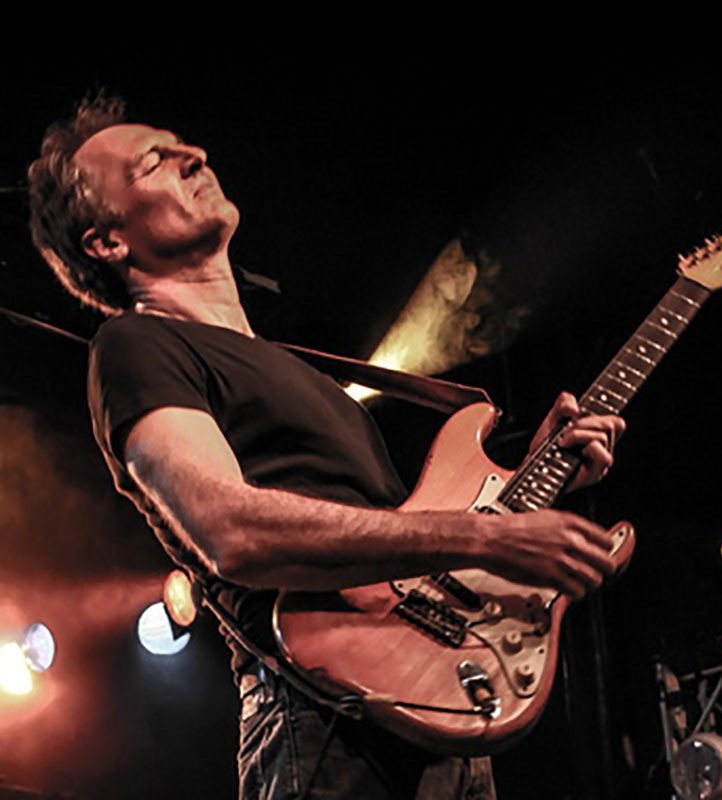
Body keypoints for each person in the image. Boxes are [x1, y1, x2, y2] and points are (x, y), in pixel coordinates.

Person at [28, 96, 626, 800]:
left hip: (435, 707)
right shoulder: (135, 345)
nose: (195, 156)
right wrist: (485, 539)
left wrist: (531, 479)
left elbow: (398, 543)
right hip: (323, 720)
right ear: (106, 243)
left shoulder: (307, 376)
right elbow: (230, 532)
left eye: (183, 144)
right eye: (154, 162)